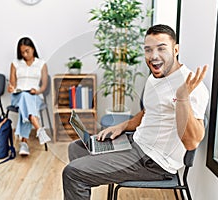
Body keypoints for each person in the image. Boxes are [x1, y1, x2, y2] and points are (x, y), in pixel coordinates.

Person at [62, 24, 209, 199]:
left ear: (175, 49)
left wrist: (182, 99)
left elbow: (192, 142)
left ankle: (84, 177)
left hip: (154, 162)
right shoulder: (155, 78)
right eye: (148, 50)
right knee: (77, 148)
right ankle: (88, 179)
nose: (154, 56)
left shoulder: (192, 86)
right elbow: (149, 111)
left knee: (73, 173)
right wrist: (123, 126)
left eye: (162, 49)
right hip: (136, 143)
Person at [7, 37, 51, 156]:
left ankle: (24, 144)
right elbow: (12, 84)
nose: (25, 54)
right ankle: (38, 128)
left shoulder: (41, 64)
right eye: (22, 52)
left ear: (33, 48)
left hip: (35, 96)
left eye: (27, 51)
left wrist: (37, 91)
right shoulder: (15, 63)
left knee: (26, 101)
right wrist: (11, 88)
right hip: (18, 96)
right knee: (24, 97)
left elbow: (44, 86)